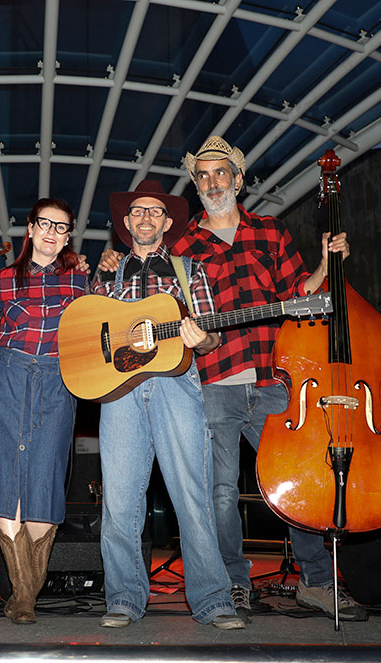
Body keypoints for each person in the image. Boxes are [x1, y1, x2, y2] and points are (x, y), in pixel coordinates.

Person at [171, 135, 360, 621]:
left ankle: (316, 582)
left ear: (238, 179)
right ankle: (232, 582)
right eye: (203, 175)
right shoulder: (183, 247)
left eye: (221, 173)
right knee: (220, 491)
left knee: (299, 478)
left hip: (275, 380)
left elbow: (299, 294)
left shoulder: (271, 231)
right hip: (215, 380)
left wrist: (326, 264)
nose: (213, 182)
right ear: (196, 185)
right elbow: (175, 315)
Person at [89, 180, 243, 630]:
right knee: (118, 501)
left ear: (167, 222)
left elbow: (213, 335)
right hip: (119, 391)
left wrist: (204, 337)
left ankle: (213, 601)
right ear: (126, 222)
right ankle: (122, 598)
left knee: (193, 496)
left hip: (177, 385)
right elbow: (87, 330)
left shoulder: (189, 270)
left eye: (155, 212)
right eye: (138, 211)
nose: (146, 218)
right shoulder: (107, 274)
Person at [0, 198, 87, 625]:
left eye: (62, 227)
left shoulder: (81, 282)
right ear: (30, 228)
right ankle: (23, 596)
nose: (53, 232)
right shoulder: (3, 279)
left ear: (69, 235)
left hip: (57, 382)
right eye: (45, 224)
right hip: (7, 378)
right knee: (3, 481)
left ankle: (25, 592)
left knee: (43, 481)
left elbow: (100, 329)